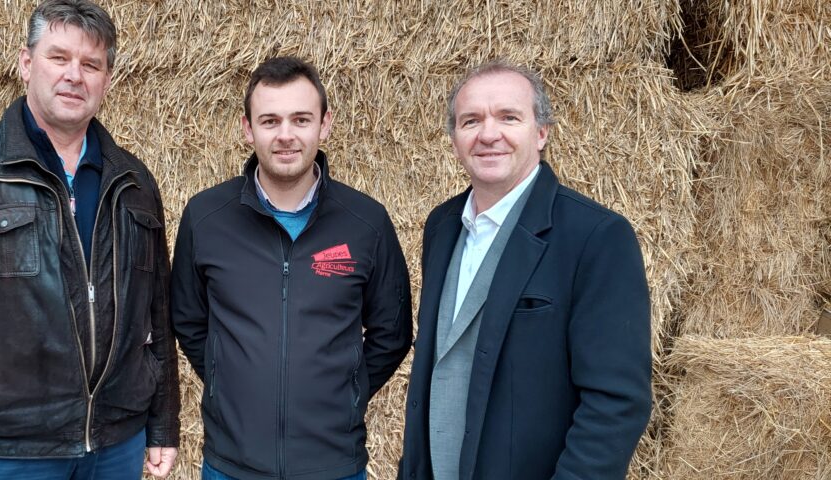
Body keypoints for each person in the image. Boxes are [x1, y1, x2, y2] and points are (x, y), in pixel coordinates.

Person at [0, 1, 178, 478]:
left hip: (115, 445)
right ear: (26, 64)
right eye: (58, 58)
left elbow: (157, 316)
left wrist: (163, 423)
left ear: (107, 79)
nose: (74, 75)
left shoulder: (134, 183)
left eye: (91, 64)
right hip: (4, 452)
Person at [398, 60, 653, 480]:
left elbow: (616, 403)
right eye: (471, 120)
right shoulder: (441, 227)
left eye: (508, 117)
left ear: (541, 133)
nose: (488, 134)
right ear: (455, 138)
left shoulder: (596, 237)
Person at [171, 56, 413, 480]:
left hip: (333, 465)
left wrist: (346, 395)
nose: (286, 135)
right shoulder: (206, 217)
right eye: (270, 121)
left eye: (301, 119)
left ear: (325, 124)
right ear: (248, 129)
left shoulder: (366, 222)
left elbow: (391, 334)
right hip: (232, 466)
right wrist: (226, 380)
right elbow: (189, 321)